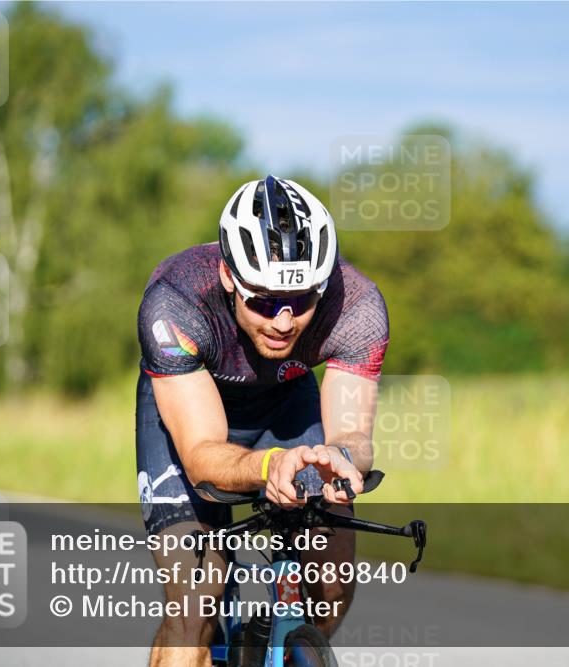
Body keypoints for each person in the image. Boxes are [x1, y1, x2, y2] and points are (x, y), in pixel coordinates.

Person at [136, 175, 388, 667]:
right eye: (264, 302)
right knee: (194, 609)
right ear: (229, 276)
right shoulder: (175, 302)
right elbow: (201, 454)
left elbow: (354, 436)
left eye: (301, 303)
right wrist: (270, 465)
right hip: (194, 423)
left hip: (286, 408)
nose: (283, 322)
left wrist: (337, 460)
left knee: (332, 583)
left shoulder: (357, 307)